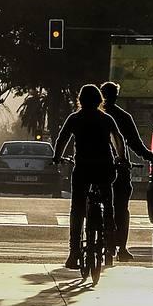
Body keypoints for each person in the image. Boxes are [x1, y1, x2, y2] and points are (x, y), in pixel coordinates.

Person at [52, 83, 125, 271]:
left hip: (83, 168)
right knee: (107, 199)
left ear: (81, 100)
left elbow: (62, 139)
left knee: (77, 209)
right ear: (99, 100)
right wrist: (121, 158)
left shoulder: (75, 118)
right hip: (104, 167)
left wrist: (57, 157)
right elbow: (118, 139)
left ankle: (74, 252)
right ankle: (109, 234)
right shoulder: (106, 119)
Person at [100, 81, 153, 263]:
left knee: (90, 201)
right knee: (121, 207)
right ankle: (122, 247)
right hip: (120, 167)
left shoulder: (92, 115)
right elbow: (135, 144)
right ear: (116, 96)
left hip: (95, 167)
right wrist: (150, 157)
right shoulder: (122, 117)